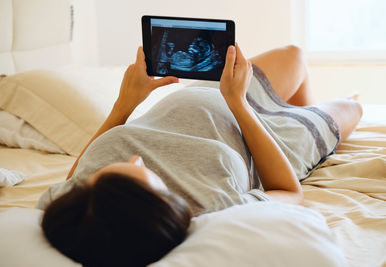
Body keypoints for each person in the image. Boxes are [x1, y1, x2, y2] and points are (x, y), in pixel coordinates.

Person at [37, 43, 362, 267]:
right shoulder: (214, 207)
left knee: (294, 56)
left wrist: (125, 104)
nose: (135, 158)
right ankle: (301, 116)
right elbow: (290, 192)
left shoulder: (85, 204)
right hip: (269, 136)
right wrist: (239, 105)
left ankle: (299, 109)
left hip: (215, 95)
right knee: (353, 105)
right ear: (164, 203)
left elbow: (71, 181)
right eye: (146, 173)